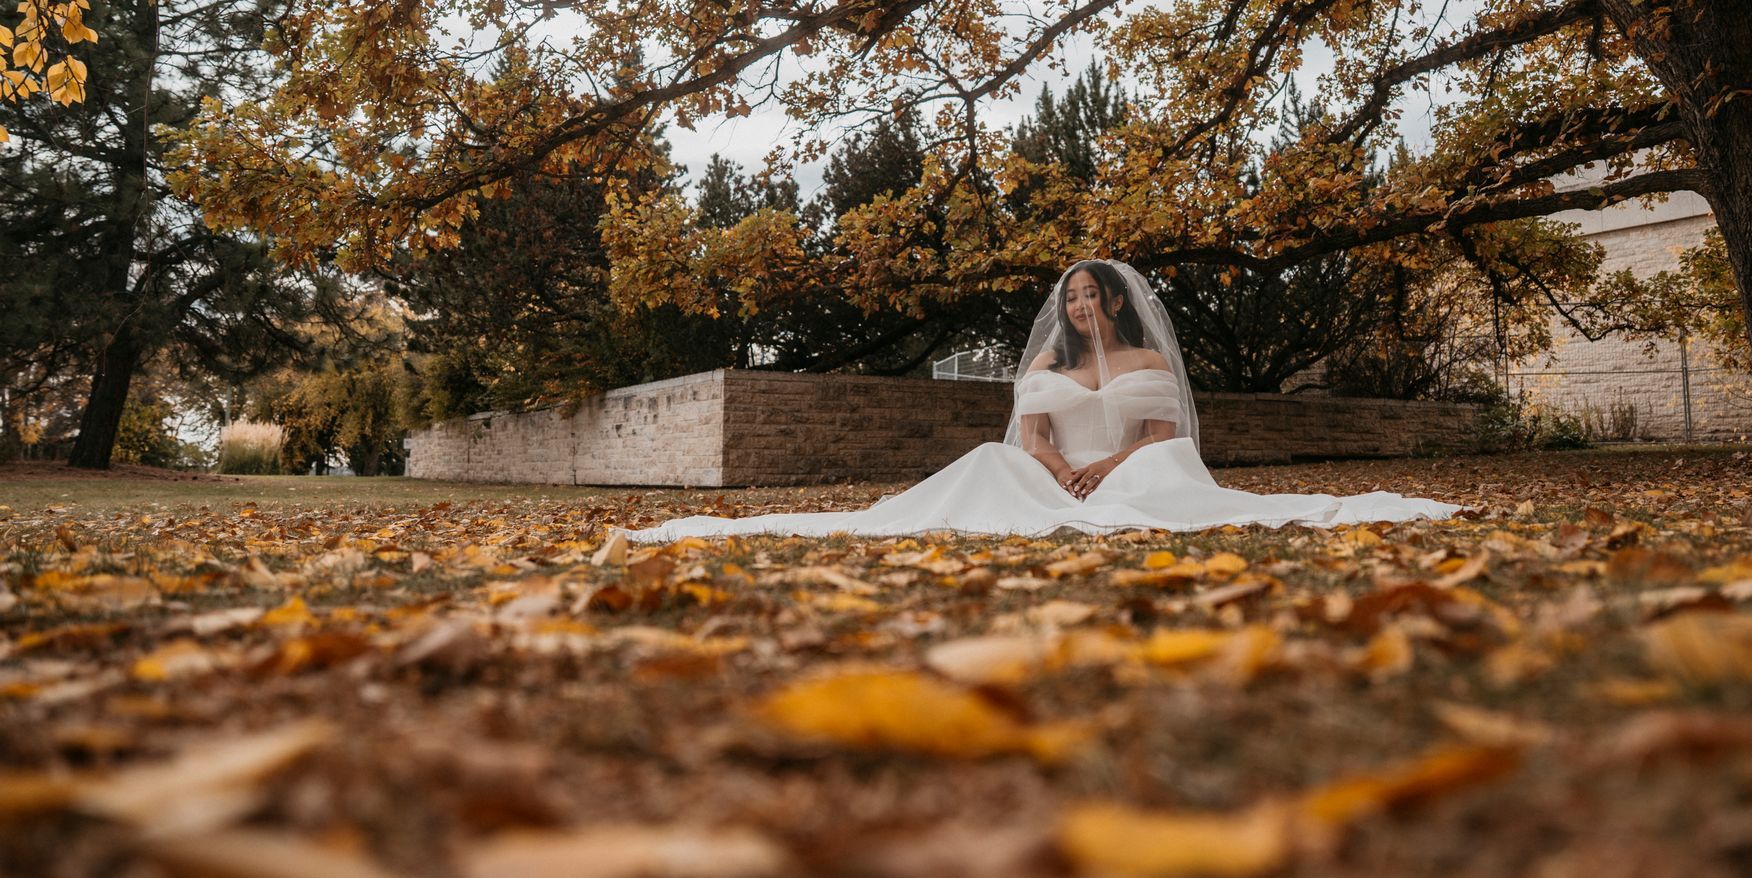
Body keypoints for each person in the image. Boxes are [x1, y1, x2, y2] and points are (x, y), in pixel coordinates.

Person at [609, 259, 1458, 541]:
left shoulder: (1143, 357)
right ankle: (1030, 499)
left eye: (1093, 296)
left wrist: (1109, 467)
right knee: (993, 458)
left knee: (1162, 461)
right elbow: (1037, 431)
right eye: (1074, 299)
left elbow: (1164, 431)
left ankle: (1117, 495)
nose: (1083, 306)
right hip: (1056, 474)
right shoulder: (1046, 366)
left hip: (1130, 471)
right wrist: (1057, 469)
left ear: (1115, 303)